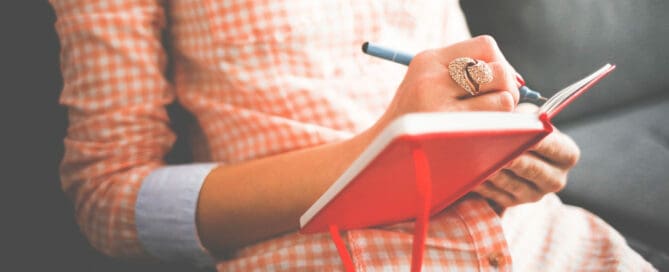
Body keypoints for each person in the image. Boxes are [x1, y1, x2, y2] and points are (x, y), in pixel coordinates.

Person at [51, 0, 655, 270]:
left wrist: (501, 147)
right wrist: (383, 150)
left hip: (550, 243)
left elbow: (457, 80)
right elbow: (108, 201)